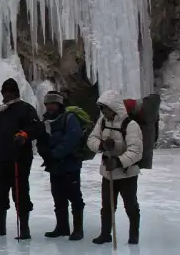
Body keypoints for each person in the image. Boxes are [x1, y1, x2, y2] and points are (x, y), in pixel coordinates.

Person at [0, 78, 44, 240]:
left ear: (16, 93)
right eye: (5, 91)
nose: (7, 94)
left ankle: (24, 229)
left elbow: (36, 127)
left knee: (20, 193)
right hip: (2, 157)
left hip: (20, 157)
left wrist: (24, 135)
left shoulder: (26, 109)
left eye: (11, 91)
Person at [86, 90, 143, 245]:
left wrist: (118, 162)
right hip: (108, 172)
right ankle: (105, 234)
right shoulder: (103, 122)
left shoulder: (131, 125)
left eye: (105, 108)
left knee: (130, 205)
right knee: (107, 206)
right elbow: (91, 139)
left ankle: (134, 234)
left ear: (114, 107)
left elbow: (136, 152)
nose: (103, 111)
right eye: (101, 109)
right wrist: (101, 145)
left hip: (127, 174)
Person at [39, 90, 85, 240]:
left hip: (70, 164)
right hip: (54, 166)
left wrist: (54, 154)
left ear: (59, 104)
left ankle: (78, 229)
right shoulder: (45, 121)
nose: (50, 107)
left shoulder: (69, 118)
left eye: (53, 103)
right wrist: (44, 153)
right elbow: (42, 140)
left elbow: (72, 138)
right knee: (58, 198)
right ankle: (62, 227)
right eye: (47, 104)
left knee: (75, 198)